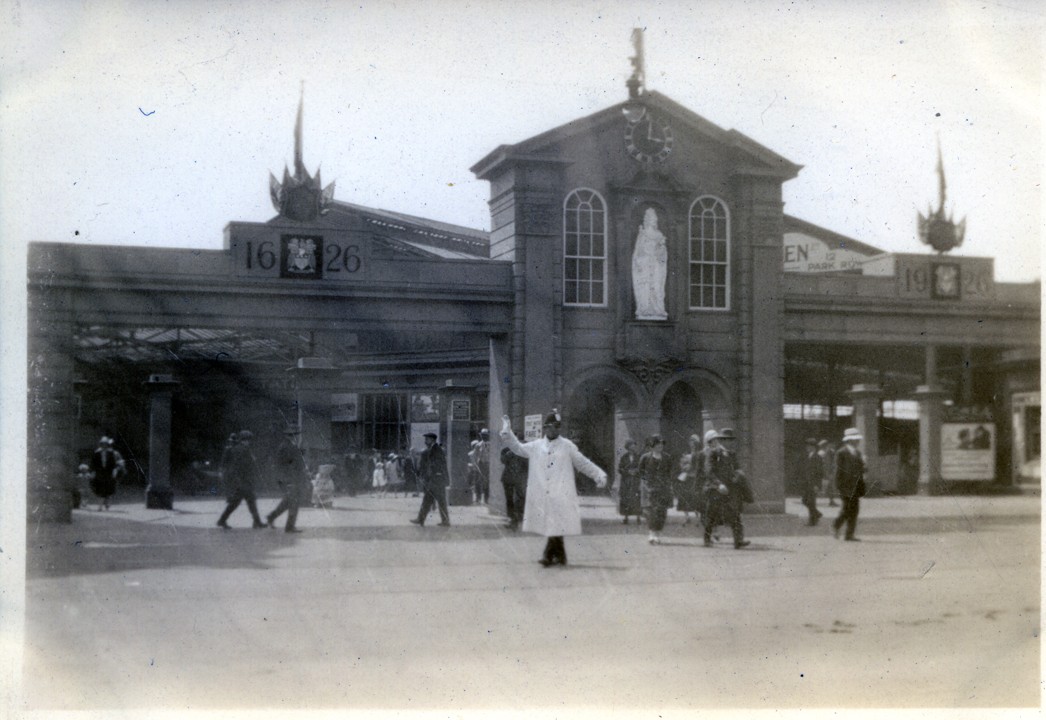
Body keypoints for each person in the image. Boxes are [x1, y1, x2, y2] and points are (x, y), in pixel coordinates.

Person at [499, 410, 607, 567]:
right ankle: (560, 556)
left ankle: (548, 556)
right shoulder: (536, 446)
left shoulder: (567, 446)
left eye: (557, 426)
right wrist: (507, 432)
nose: (554, 429)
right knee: (554, 524)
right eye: (551, 426)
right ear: (545, 428)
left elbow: (582, 463)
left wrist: (598, 475)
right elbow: (517, 448)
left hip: (561, 493)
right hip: (543, 493)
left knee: (554, 524)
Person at [702, 428, 752, 549]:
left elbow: (737, 469)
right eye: (725, 439)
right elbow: (709, 471)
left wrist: (736, 477)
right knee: (711, 514)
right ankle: (707, 539)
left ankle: (738, 540)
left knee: (735, 513)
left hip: (730, 489)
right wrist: (719, 484)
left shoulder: (732, 454)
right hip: (716, 489)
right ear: (721, 440)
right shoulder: (714, 453)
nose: (728, 442)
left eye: (730, 440)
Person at [216, 430, 266, 529]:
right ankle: (257, 522)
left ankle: (222, 520)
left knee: (237, 503)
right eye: (248, 440)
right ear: (245, 440)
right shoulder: (242, 449)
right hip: (243, 480)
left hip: (241, 480)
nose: (249, 442)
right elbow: (242, 465)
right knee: (250, 501)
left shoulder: (239, 448)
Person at [266, 424, 309, 533]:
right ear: (291, 435)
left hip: (288, 478)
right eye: (295, 434)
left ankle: (271, 517)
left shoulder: (288, 446)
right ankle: (289, 527)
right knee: (294, 501)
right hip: (289, 478)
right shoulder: (288, 447)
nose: (297, 436)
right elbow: (290, 463)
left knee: (288, 501)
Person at [631, 207, 668, 320]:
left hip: (656, 264)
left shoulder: (659, 235)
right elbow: (638, 253)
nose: (654, 219)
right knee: (645, 287)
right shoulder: (642, 234)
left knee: (657, 287)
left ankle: (657, 309)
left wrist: (661, 248)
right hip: (645, 265)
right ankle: (644, 309)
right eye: (652, 217)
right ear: (647, 219)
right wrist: (641, 262)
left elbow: (663, 255)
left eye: (655, 217)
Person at [832, 428, 866, 541]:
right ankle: (836, 525)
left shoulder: (858, 453)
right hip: (845, 486)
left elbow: (862, 469)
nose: (858, 441)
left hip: (856, 486)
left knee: (855, 510)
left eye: (858, 439)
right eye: (855, 439)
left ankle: (849, 535)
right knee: (846, 510)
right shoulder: (841, 453)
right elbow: (838, 470)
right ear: (849, 440)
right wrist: (838, 486)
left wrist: (864, 465)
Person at [639, 435, 674, 545]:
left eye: (662, 444)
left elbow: (670, 472)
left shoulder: (667, 458)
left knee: (661, 512)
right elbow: (641, 472)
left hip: (663, 489)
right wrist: (646, 484)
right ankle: (651, 534)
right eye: (658, 444)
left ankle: (657, 534)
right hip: (650, 489)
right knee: (651, 512)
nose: (660, 446)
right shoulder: (645, 458)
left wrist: (668, 485)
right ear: (652, 446)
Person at [411, 432, 450, 527]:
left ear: (432, 440)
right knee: (429, 499)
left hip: (437, 479)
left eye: (427, 439)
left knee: (438, 501)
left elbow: (439, 464)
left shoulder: (437, 449)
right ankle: (421, 519)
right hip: (434, 479)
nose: (425, 441)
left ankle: (444, 521)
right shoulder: (432, 449)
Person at [500, 432, 529, 530]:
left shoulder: (525, 450)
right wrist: (511, 452)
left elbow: (528, 464)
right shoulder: (507, 449)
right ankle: (512, 519)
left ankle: (517, 519)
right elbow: (502, 460)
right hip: (508, 478)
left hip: (520, 479)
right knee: (509, 500)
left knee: (520, 499)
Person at [89, 436, 125, 510]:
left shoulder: (110, 453)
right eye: (103, 444)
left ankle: (106, 502)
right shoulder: (97, 453)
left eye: (105, 444)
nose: (104, 446)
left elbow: (113, 463)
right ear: (101, 444)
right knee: (100, 489)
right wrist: (92, 471)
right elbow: (93, 463)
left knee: (108, 489)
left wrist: (114, 471)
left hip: (108, 472)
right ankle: (100, 506)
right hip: (99, 472)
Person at [676, 434, 703, 525]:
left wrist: (691, 466)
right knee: (685, 497)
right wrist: (685, 466)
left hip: (695, 477)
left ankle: (698, 517)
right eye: (691, 442)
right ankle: (687, 516)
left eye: (694, 442)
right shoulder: (686, 454)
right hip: (687, 478)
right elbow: (682, 465)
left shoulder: (700, 454)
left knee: (695, 497)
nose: (692, 444)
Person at [617, 439, 642, 524]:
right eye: (631, 445)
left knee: (636, 498)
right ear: (628, 447)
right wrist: (627, 472)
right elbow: (620, 469)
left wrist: (636, 471)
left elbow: (642, 467)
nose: (633, 446)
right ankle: (626, 517)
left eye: (634, 445)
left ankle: (638, 517)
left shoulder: (638, 457)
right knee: (626, 498)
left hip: (635, 480)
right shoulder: (624, 457)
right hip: (626, 481)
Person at [801, 437, 824, 526]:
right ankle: (817, 514)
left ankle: (812, 521)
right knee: (805, 500)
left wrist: (817, 485)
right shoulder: (808, 456)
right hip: (807, 482)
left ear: (813, 447)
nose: (807, 448)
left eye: (808, 446)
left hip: (813, 483)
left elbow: (819, 472)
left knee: (811, 501)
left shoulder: (817, 457)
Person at [818, 439, 837, 506]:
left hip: (828, 471)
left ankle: (831, 501)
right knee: (825, 486)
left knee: (830, 486)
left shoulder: (828, 452)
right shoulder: (821, 453)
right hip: (824, 472)